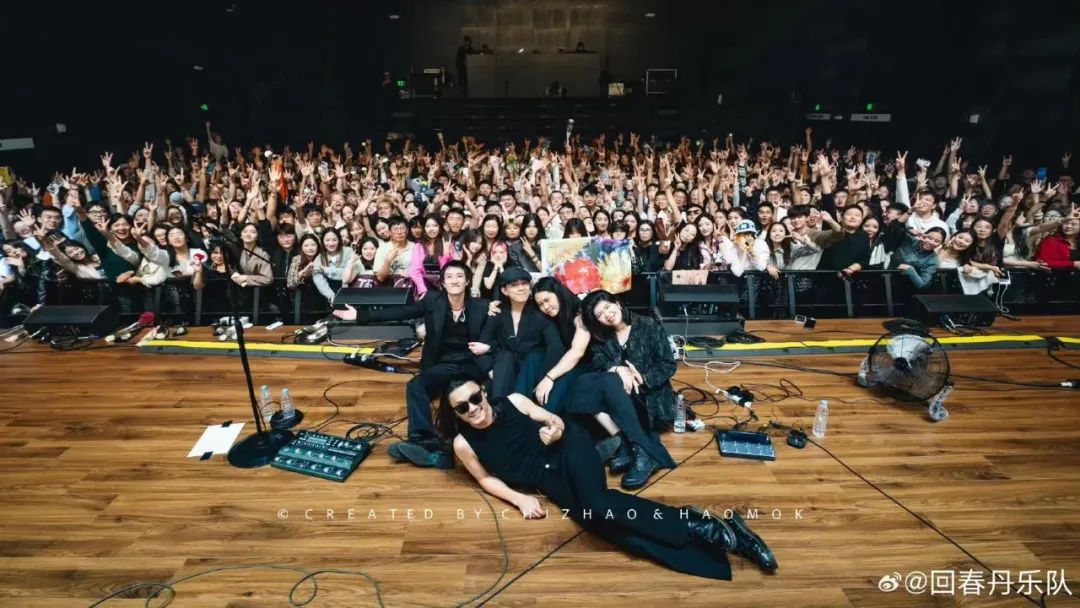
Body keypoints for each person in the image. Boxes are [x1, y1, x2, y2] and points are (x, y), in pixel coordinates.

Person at [440, 379, 778, 580]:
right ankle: (723, 539)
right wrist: (519, 499)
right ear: (455, 412)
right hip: (547, 480)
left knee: (598, 505)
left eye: (475, 398)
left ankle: (703, 526)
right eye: (462, 407)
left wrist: (555, 432)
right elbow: (485, 479)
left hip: (569, 448)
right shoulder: (463, 444)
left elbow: (556, 420)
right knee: (602, 525)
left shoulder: (514, 401)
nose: (472, 408)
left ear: (483, 392)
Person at [332, 261, 494, 469]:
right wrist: (360, 315)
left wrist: (489, 348)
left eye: (459, 276)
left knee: (456, 395)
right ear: (443, 283)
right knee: (415, 386)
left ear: (467, 281)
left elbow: (503, 328)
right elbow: (402, 312)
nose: (454, 280)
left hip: (470, 362)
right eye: (449, 277)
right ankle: (422, 440)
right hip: (442, 363)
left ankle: (450, 449)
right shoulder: (432, 301)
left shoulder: (482, 306)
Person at [473, 267, 562, 398]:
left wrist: (545, 377)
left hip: (532, 372)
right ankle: (502, 405)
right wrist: (491, 370)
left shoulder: (540, 311)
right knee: (505, 356)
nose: (521, 288)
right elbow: (479, 347)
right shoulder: (498, 312)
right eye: (514, 285)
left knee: (533, 356)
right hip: (504, 371)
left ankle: (508, 405)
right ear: (504, 290)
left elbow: (555, 347)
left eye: (524, 283)